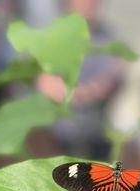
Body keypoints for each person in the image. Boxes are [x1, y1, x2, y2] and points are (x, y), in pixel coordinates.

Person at [36, 0, 125, 160]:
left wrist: (81, 92)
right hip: (56, 139)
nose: (90, 4)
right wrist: (84, 92)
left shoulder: (107, 38)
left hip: (96, 136)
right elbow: (46, 84)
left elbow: (111, 80)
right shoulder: (53, 35)